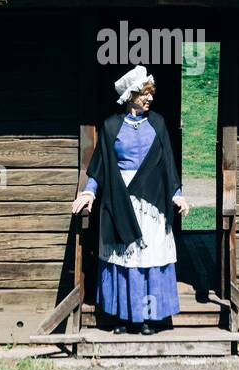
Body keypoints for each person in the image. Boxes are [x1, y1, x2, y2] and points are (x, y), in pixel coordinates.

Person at [71, 66, 189, 335]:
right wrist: (89, 192)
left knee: (149, 256)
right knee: (123, 258)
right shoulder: (111, 127)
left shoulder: (158, 123)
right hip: (119, 199)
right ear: (130, 95)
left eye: (151, 94)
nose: (149, 98)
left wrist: (177, 194)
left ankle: (148, 317)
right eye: (144, 94)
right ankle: (122, 317)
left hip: (152, 204)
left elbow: (169, 164)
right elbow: (100, 165)